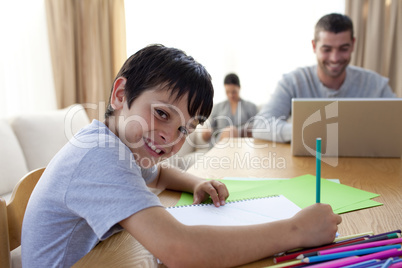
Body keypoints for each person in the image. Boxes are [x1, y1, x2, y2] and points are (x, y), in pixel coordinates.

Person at [21, 44, 341, 268]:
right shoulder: (99, 158)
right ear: (121, 95)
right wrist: (296, 231)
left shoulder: (119, 144)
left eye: (184, 130)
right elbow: (180, 250)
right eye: (161, 113)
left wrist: (196, 182)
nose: (169, 138)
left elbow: (156, 174)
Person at [252, 13, 396, 143]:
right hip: (309, 166)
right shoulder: (293, 82)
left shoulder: (375, 84)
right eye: (327, 49)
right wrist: (311, 132)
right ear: (314, 46)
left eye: (343, 49)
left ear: (353, 45)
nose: (335, 58)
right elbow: (261, 125)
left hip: (367, 166)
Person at [202, 73, 258, 146]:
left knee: (231, 131)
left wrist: (237, 131)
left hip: (242, 143)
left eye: (234, 92)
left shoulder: (251, 106)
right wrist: (205, 134)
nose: (230, 95)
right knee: (230, 131)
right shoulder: (217, 107)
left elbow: (257, 126)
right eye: (227, 92)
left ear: (239, 88)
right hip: (220, 143)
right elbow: (209, 131)